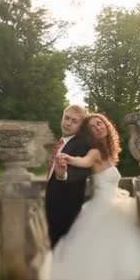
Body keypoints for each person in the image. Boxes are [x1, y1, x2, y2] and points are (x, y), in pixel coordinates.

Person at [43, 113, 140, 280]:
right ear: (89, 133)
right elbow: (83, 162)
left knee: (119, 262)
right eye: (92, 126)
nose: (98, 127)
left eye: (100, 123)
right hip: (103, 210)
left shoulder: (109, 152)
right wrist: (68, 159)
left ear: (107, 126)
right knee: (103, 264)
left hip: (115, 204)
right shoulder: (95, 152)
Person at [44, 104, 90, 249]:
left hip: (67, 209)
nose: (68, 123)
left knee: (63, 251)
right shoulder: (64, 142)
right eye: (67, 118)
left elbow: (78, 175)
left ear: (81, 126)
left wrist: (62, 174)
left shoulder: (81, 144)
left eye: (74, 121)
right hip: (55, 206)